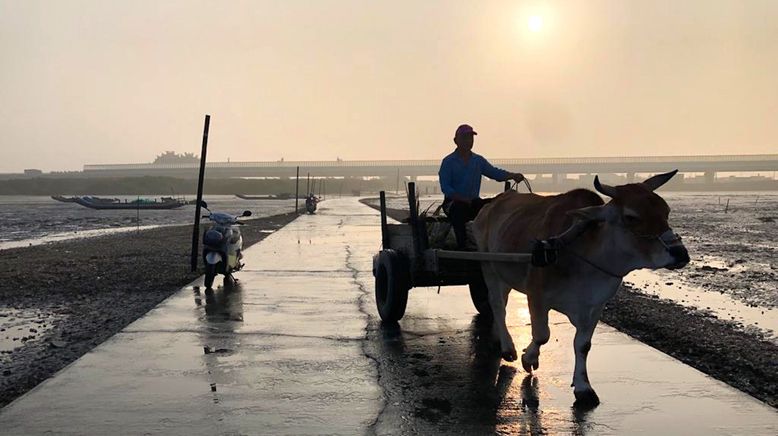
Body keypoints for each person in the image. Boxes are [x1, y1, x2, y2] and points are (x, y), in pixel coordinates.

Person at [438, 124, 524, 249]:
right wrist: (462, 199)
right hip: (453, 203)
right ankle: (462, 247)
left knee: (494, 205)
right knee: (459, 211)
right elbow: (446, 188)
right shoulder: (448, 162)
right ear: (456, 141)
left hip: (473, 202)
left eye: (471, 138)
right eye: (465, 138)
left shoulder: (478, 160)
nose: (468, 141)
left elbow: (495, 173)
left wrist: (513, 175)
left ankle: (496, 242)